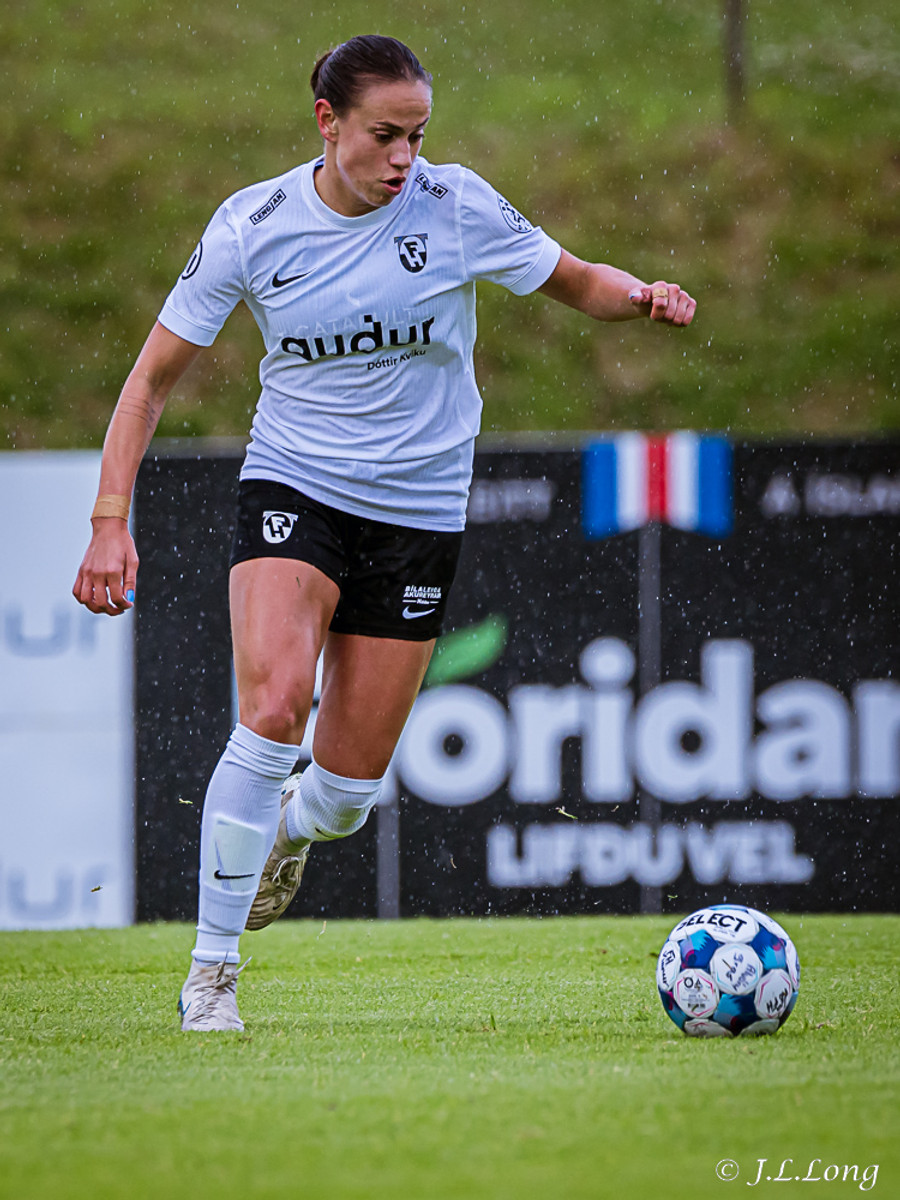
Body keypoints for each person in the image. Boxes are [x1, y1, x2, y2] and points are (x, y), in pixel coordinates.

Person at [72, 34, 696, 1032]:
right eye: (385, 135)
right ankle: (212, 977)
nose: (405, 157)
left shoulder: (455, 207)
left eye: (418, 135)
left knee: (347, 796)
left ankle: (286, 829)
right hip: (296, 484)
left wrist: (644, 297)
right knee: (274, 706)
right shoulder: (252, 227)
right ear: (327, 122)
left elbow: (578, 280)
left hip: (418, 508)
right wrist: (111, 520)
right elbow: (149, 382)